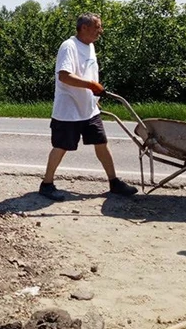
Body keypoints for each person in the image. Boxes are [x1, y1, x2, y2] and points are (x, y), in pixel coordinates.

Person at [39, 13, 137, 201]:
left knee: (101, 143)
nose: (101, 30)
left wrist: (93, 97)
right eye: (97, 27)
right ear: (84, 28)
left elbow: (87, 72)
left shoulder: (90, 46)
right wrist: (92, 86)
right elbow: (64, 76)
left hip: (89, 109)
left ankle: (114, 182)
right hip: (68, 110)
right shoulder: (69, 47)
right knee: (61, 146)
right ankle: (46, 184)